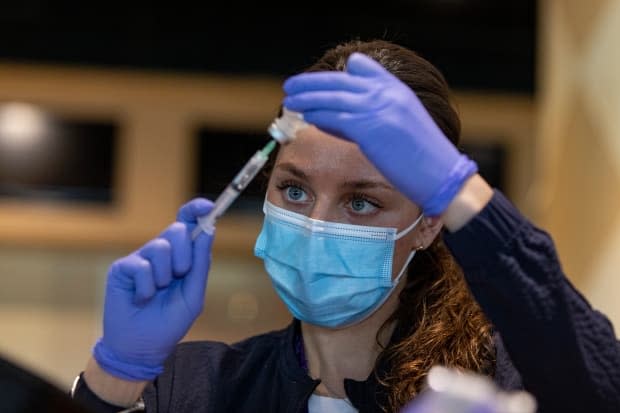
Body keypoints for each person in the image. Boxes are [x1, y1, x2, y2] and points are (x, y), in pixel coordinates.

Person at [70, 39, 620, 413]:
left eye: (361, 202)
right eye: (295, 190)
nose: (314, 223)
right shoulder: (190, 388)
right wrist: (116, 375)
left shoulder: (499, 383)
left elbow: (601, 389)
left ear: (429, 225)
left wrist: (462, 190)